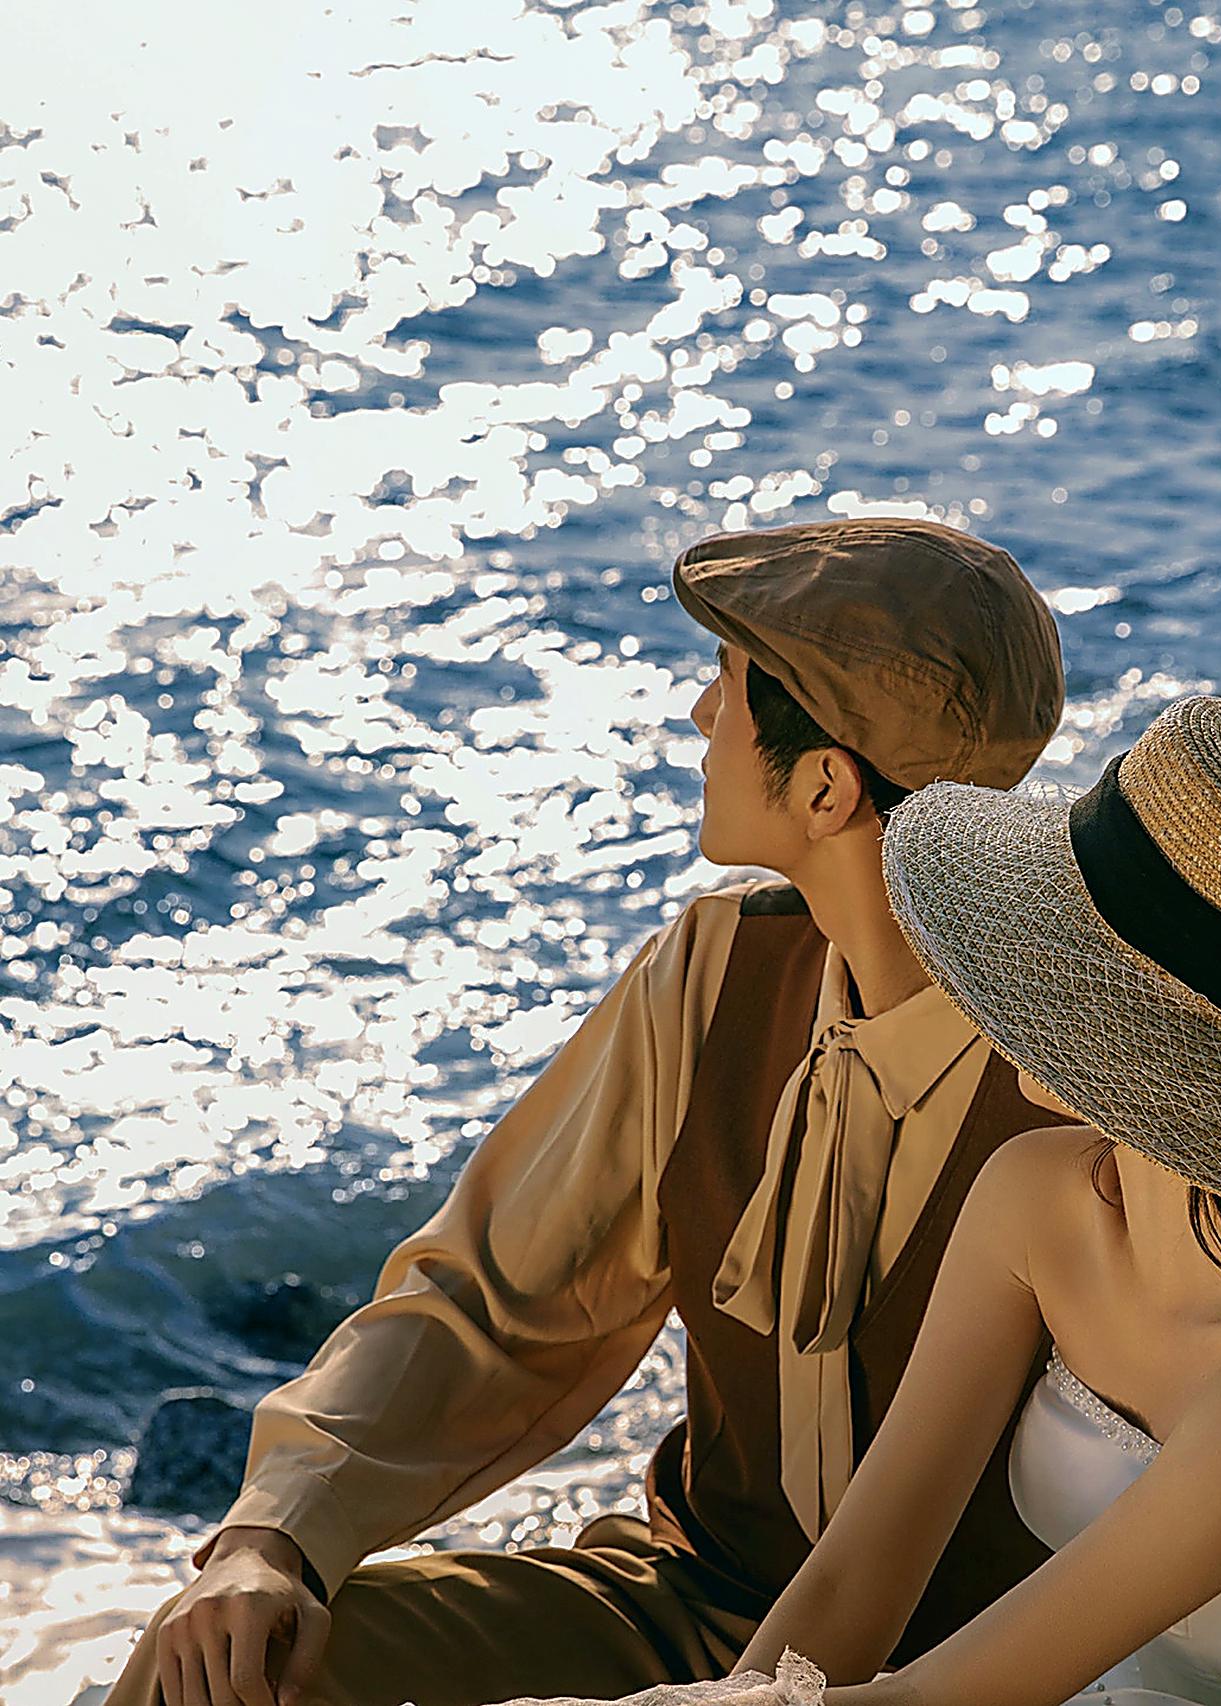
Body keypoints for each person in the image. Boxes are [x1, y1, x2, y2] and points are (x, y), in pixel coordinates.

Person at [105, 518, 1066, 1706]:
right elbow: (489, 1300)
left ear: (824, 785)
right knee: (222, 1666)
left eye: (726, 684)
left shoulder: (1073, 1071)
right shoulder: (710, 973)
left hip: (978, 1669)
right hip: (691, 1605)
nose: (700, 715)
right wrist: (273, 1536)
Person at [712, 692, 1221, 1706]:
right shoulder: (1032, 1198)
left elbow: (934, 1702)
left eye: (1071, 951)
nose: (1025, 969)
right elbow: (849, 1582)